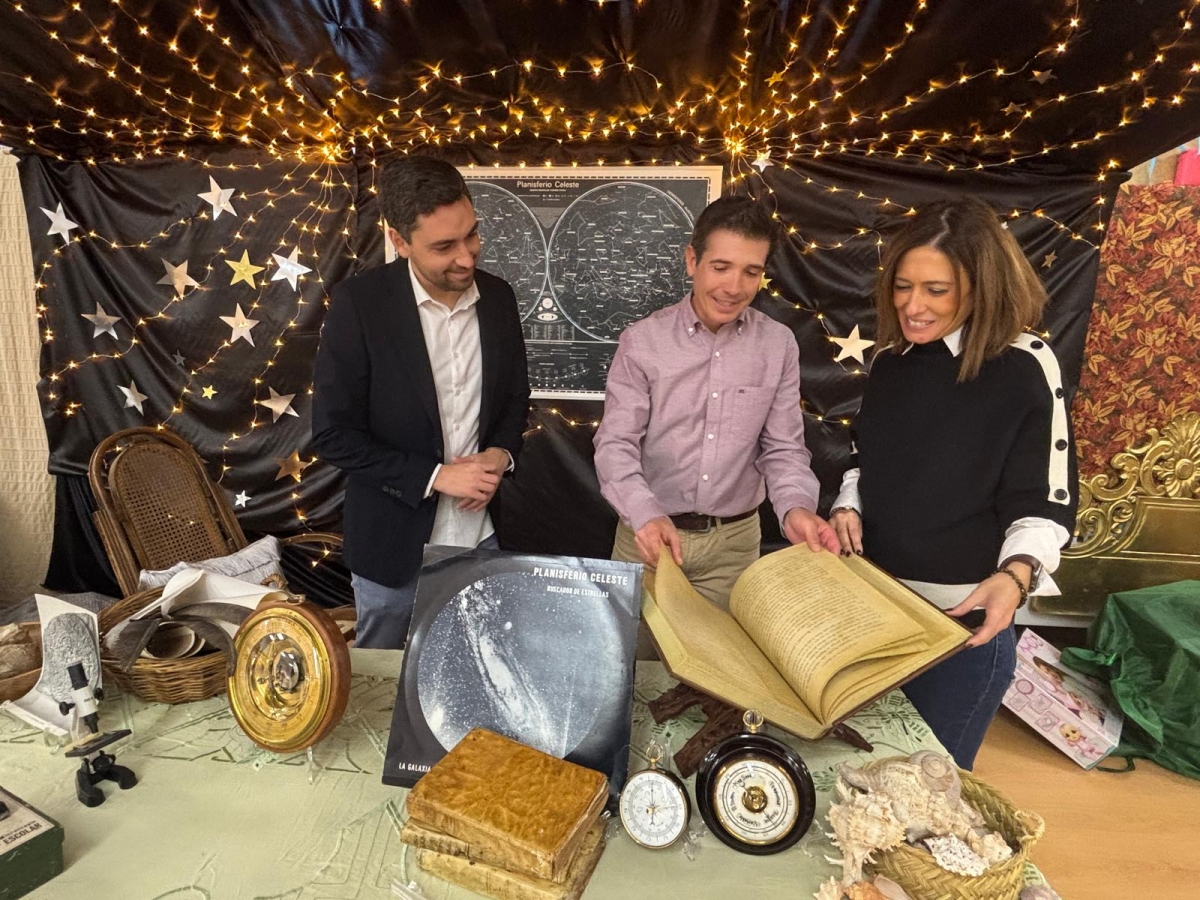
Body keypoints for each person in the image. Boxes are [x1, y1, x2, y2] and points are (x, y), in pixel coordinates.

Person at [829, 196, 1078, 768]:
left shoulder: (1025, 364)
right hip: (872, 620)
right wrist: (849, 506)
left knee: (926, 803)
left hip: (958, 633)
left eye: (935, 290)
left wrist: (1016, 576)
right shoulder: (892, 362)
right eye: (902, 286)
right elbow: (869, 460)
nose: (912, 305)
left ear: (981, 286)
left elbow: (1042, 501)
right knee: (856, 784)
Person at [312, 157, 530, 648]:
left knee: (479, 673)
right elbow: (333, 434)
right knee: (382, 691)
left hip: (484, 537)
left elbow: (515, 397)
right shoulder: (359, 305)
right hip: (392, 550)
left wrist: (501, 453)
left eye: (471, 235)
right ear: (399, 241)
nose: (467, 258)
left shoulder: (499, 298)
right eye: (444, 246)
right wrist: (435, 477)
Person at [594, 196, 838, 620]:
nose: (734, 287)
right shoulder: (642, 341)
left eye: (751, 272)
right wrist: (645, 515)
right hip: (648, 536)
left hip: (734, 549)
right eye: (721, 267)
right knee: (628, 671)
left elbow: (783, 448)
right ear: (692, 261)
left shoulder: (778, 344)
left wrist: (796, 508)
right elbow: (615, 444)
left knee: (721, 680)